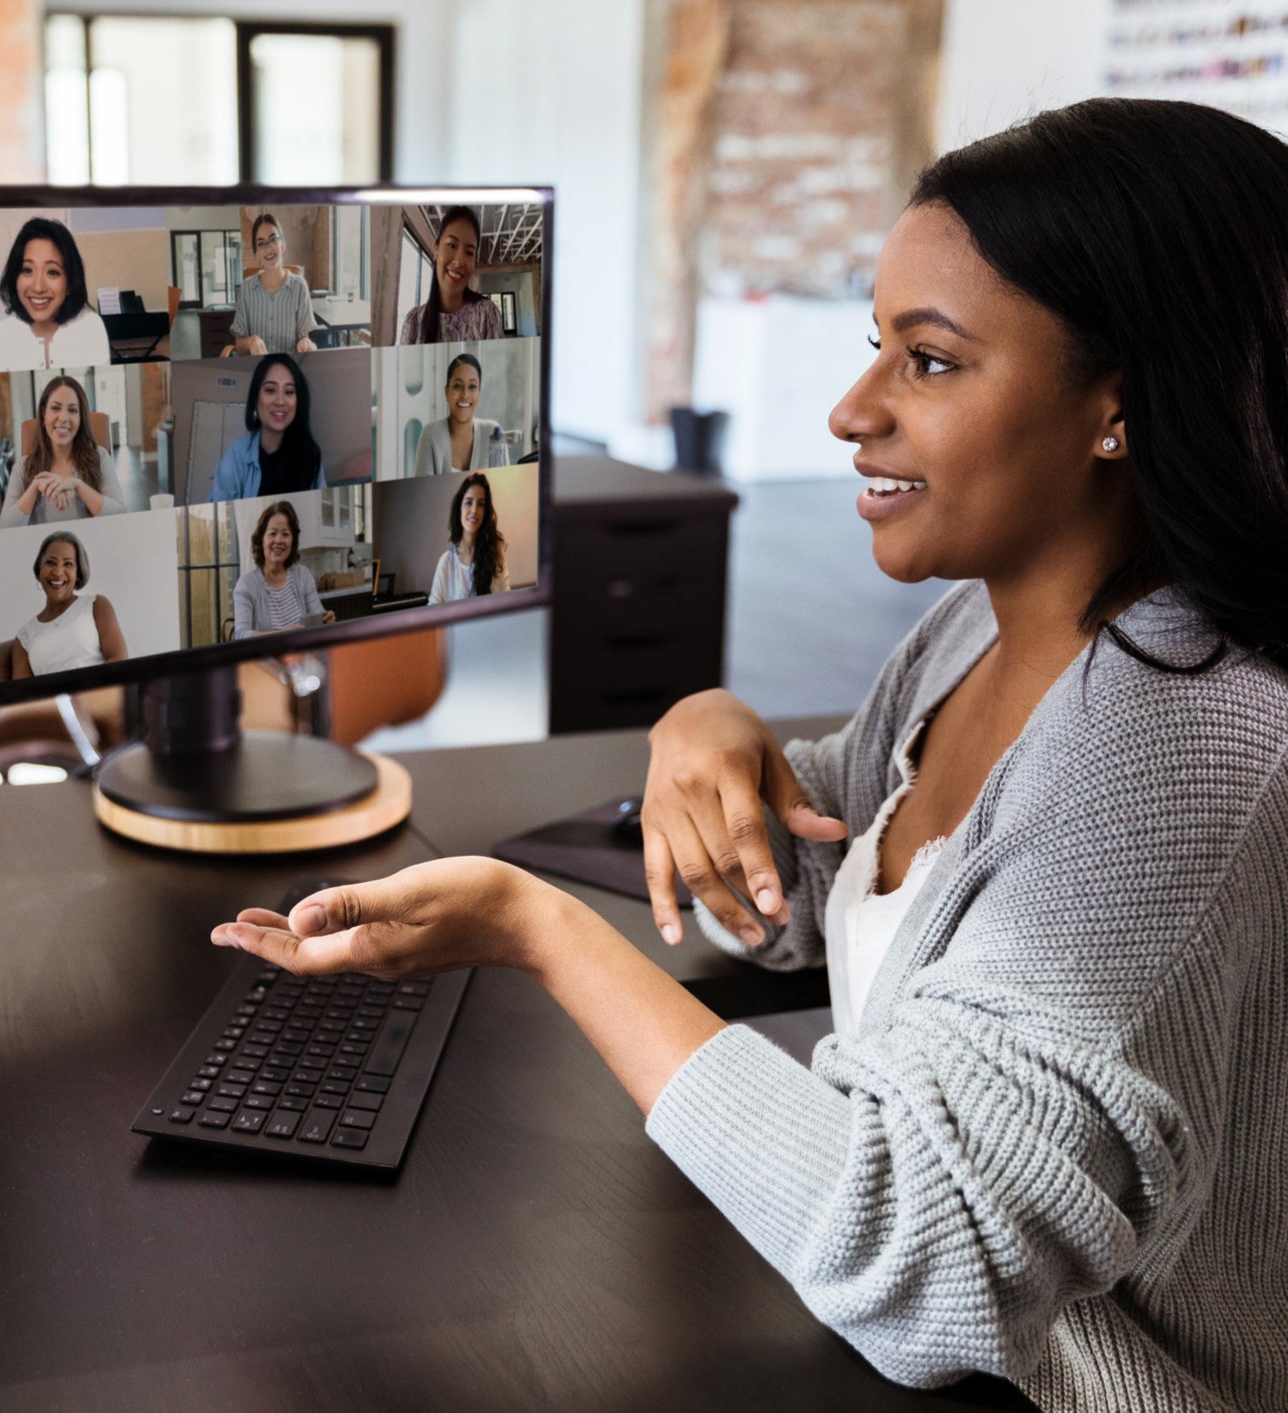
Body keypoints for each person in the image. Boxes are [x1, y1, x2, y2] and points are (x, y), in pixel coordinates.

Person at [213, 99, 1288, 1412]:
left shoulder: (1185, 753)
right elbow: (844, 872)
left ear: (1120, 408)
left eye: (931, 363)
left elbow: (920, 1268)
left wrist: (539, 929)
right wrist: (711, 728)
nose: (851, 410)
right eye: (873, 346)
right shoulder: (984, 629)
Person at [0, 217, 112, 372]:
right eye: (27, 270)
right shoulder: (2, 335)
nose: (38, 287)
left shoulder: (90, 327)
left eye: (52, 272)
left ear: (70, 283)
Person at [0, 375, 125, 527]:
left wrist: (77, 485)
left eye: (72, 410)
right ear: (44, 414)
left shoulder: (100, 457)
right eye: (55, 408)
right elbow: (4, 527)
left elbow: (121, 515)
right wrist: (35, 486)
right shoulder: (23, 466)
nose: (63, 418)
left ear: (80, 418)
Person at [9, 531, 128, 679]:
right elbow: (22, 695)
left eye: (68, 564)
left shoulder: (96, 605)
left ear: (78, 572)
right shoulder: (24, 637)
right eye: (50, 562)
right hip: (54, 701)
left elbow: (119, 660)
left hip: (99, 696)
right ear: (40, 568)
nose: (58, 572)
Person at [209, 354, 326, 502]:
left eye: (289, 392)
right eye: (270, 390)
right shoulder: (235, 458)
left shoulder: (311, 454)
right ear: (256, 398)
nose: (280, 401)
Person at [399, 206, 502, 345]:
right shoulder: (414, 323)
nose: (459, 262)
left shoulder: (486, 315)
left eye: (469, 253)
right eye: (451, 245)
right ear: (436, 248)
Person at [231, 501, 334, 639]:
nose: (279, 540)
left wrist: (327, 621)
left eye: (285, 534)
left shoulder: (303, 575)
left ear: (293, 540)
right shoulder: (246, 585)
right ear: (261, 539)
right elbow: (240, 635)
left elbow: (319, 616)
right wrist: (283, 634)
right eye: (272, 533)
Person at [224, 214, 318, 358]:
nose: (268, 248)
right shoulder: (247, 289)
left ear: (283, 244)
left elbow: (303, 338)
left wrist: (304, 343)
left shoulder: (299, 287)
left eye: (273, 239)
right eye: (261, 243)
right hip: (257, 370)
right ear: (256, 253)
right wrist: (250, 341)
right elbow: (239, 345)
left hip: (288, 370)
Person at [413, 353, 504, 477]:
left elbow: (503, 488)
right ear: (447, 392)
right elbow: (421, 492)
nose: (465, 394)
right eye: (457, 386)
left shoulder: (493, 432)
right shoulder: (431, 434)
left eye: (472, 386)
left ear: (479, 392)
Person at [426, 472, 509, 604]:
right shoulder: (446, 563)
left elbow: (507, 598)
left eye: (481, 504)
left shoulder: (495, 552)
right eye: (469, 502)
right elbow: (432, 609)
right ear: (459, 508)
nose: (474, 510)